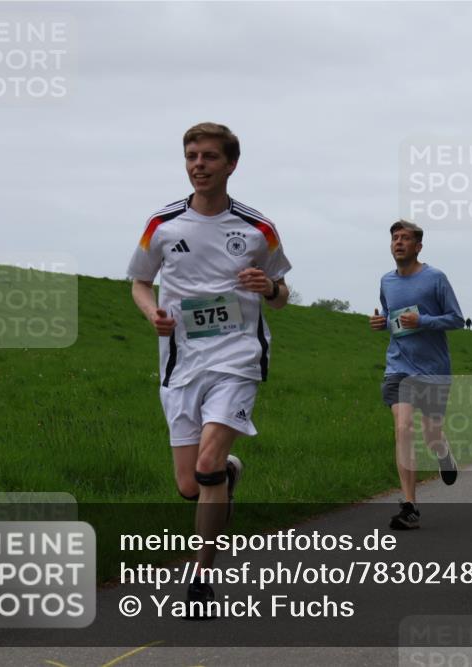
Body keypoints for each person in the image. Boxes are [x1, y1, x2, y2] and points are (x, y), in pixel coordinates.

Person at [127, 122, 291, 613]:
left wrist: (269, 288)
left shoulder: (258, 229)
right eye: (192, 156)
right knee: (189, 484)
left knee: (206, 465)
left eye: (209, 157)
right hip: (181, 362)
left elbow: (282, 295)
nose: (199, 165)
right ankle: (227, 476)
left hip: (237, 357)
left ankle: (200, 578)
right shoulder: (162, 225)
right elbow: (139, 282)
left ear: (231, 164)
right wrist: (151, 313)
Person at [369, 220, 464, 530]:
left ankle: (443, 452)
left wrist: (422, 321)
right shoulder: (386, 281)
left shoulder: (435, 278)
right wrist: (382, 323)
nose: (398, 242)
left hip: (434, 370)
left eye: (405, 238)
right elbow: (391, 318)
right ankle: (410, 505)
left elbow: (456, 319)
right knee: (403, 427)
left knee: (431, 434)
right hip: (399, 367)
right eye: (395, 238)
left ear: (418, 246)